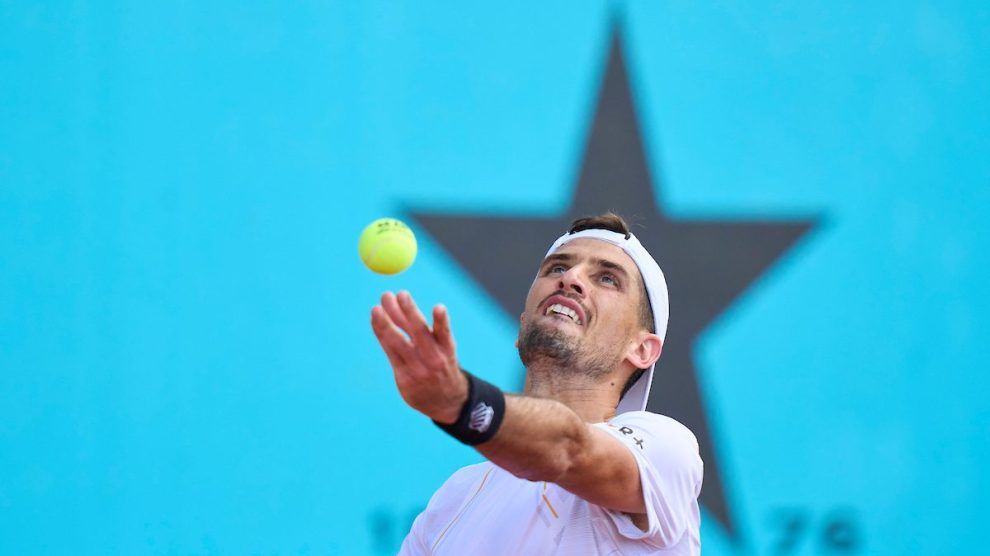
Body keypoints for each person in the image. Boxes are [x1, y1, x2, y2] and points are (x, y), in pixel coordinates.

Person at [370, 212, 703, 554]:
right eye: (557, 268)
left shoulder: (667, 448)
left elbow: (569, 449)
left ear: (643, 349)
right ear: (524, 324)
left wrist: (464, 403)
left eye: (606, 278)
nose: (571, 278)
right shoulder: (453, 501)